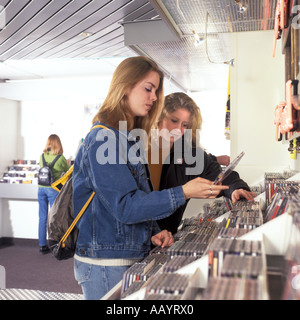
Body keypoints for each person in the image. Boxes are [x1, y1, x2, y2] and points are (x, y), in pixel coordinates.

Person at [72, 56, 229, 300]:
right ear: (125, 87)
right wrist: (184, 192)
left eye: (156, 90)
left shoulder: (128, 138)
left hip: (128, 257)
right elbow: (126, 206)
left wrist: (153, 230)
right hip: (106, 265)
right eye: (148, 88)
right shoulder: (104, 139)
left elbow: (135, 197)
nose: (154, 97)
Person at [148, 92, 256, 234]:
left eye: (184, 124)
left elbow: (221, 175)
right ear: (159, 118)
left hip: (164, 241)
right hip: (132, 242)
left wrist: (236, 189)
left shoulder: (189, 155)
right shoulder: (139, 148)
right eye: (174, 120)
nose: (178, 130)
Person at [38, 134, 70, 254]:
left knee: (42, 218)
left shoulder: (42, 156)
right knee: (54, 218)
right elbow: (68, 170)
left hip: (40, 189)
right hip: (52, 189)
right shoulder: (60, 158)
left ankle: (42, 245)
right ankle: (55, 245)